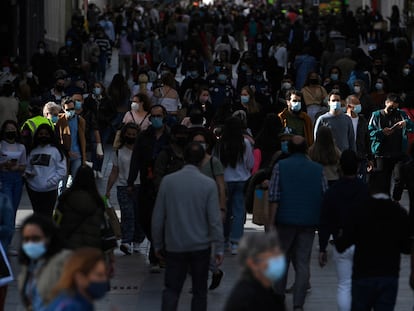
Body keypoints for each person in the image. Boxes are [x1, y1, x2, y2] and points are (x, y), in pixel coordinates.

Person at [152, 142, 224, 311]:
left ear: (184, 158)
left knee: (171, 289)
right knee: (200, 291)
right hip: (200, 247)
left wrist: (157, 244)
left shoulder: (168, 182)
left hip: (175, 245)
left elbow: (158, 216)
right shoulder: (208, 184)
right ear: (202, 160)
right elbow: (214, 220)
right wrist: (219, 248)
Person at [335, 172, 410, 311]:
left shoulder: (358, 210)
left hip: (363, 274)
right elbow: (406, 247)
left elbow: (342, 244)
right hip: (389, 274)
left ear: (369, 187)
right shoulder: (399, 213)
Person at [268, 135, 327, 311]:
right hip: (308, 222)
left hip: (284, 221)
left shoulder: (280, 167)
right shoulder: (318, 169)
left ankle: (278, 300)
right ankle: (298, 304)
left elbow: (274, 197)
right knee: (302, 262)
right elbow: (325, 195)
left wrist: (270, 224)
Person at [318, 150, 370, 311]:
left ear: (340, 167)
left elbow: (325, 221)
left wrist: (322, 247)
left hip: (341, 240)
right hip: (362, 242)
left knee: (344, 285)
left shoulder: (332, 192)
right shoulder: (364, 190)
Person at [127, 104, 170, 272]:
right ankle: (156, 245)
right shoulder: (144, 136)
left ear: (164, 116)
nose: (156, 119)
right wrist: (130, 182)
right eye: (153, 116)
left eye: (159, 116)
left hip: (166, 184)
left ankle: (157, 254)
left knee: (163, 220)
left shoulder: (171, 136)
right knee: (145, 218)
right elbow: (136, 159)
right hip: (147, 183)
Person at [190, 130, 226, 290]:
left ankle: (201, 279)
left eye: (202, 142)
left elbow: (221, 186)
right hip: (192, 210)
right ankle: (213, 271)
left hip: (210, 209)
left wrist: (222, 208)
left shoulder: (214, 162)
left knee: (202, 248)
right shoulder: (189, 163)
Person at [216, 117, 254, 255]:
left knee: (225, 210)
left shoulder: (221, 144)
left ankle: (224, 239)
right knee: (239, 212)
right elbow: (250, 163)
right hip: (241, 180)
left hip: (225, 181)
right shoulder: (245, 144)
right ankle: (235, 242)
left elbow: (217, 162)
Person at [18, 214, 71, 311]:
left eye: (36, 238)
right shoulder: (30, 265)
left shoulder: (64, 260)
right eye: (26, 239)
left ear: (49, 237)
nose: (30, 244)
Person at [105, 123, 144, 255]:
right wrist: (108, 189)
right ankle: (126, 241)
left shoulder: (142, 151)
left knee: (139, 215)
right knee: (128, 214)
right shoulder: (119, 152)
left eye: (134, 135)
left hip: (140, 186)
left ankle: (137, 241)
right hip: (123, 186)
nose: (131, 137)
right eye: (129, 134)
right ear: (124, 135)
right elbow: (114, 171)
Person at [368, 93, 414, 199]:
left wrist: (406, 123)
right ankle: (385, 200)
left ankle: (396, 198)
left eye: (395, 107)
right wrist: (381, 132)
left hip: (398, 152)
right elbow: (370, 133)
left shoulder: (401, 114)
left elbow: (412, 127)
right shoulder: (376, 115)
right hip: (382, 153)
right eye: (391, 107)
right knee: (383, 180)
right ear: (386, 103)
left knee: (399, 177)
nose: (392, 110)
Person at [224, 232, 286, 311]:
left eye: (279, 255)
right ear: (252, 263)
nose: (278, 262)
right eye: (273, 257)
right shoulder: (246, 299)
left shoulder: (268, 293)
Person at [55, 166, 105, 251]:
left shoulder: (65, 199)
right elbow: (105, 228)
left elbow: (56, 223)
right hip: (91, 248)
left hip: (69, 247)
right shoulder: (98, 201)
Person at [25, 124, 67, 217]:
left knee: (47, 216)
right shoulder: (32, 151)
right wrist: (29, 178)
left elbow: (62, 171)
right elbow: (27, 168)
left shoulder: (56, 151)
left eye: (46, 134)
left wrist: (50, 183)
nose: (43, 136)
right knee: (37, 215)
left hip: (50, 190)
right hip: (33, 190)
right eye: (41, 134)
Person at [55, 97, 87, 187]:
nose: (71, 111)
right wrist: (66, 151)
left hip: (77, 155)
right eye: (68, 109)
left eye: (72, 109)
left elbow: (82, 139)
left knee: (76, 182)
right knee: (62, 183)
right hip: (63, 156)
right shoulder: (59, 120)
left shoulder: (80, 120)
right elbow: (57, 140)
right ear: (63, 109)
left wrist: (84, 158)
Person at [0, 120, 26, 222]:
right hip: (4, 178)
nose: (10, 131)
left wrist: (17, 167)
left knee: (14, 208)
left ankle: (10, 230)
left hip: (17, 180)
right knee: (8, 208)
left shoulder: (21, 147)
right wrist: (4, 164)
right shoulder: (1, 145)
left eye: (13, 129)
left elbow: (24, 165)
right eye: (8, 129)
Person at [344, 95, 371, 181]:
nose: (359, 106)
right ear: (348, 106)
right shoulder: (342, 120)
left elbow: (367, 139)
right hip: (346, 156)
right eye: (356, 104)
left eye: (359, 103)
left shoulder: (363, 121)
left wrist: (370, 158)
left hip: (360, 156)